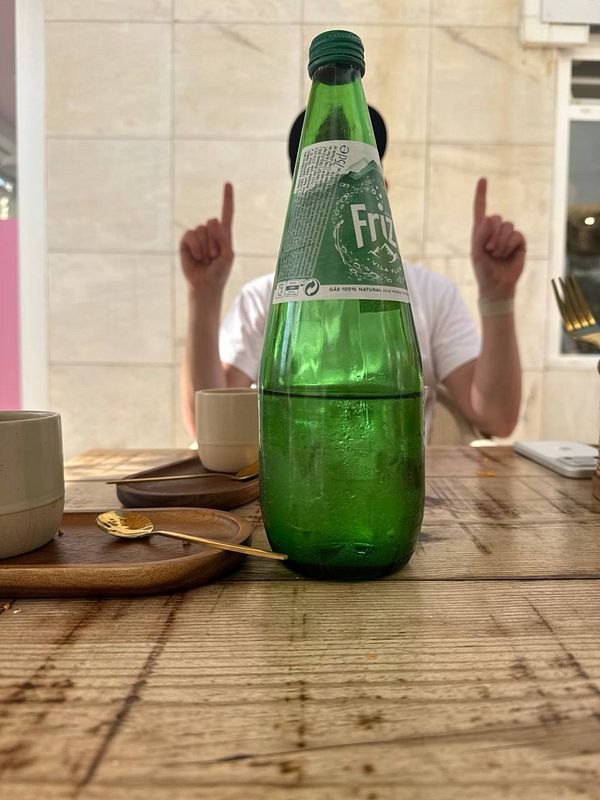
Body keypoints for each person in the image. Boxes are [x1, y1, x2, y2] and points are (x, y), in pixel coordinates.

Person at [180, 110, 526, 441]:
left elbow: (496, 417)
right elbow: (209, 426)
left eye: (357, 182)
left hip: (391, 481)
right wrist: (204, 296)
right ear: (301, 204)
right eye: (324, 189)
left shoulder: (432, 294)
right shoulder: (265, 298)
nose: (341, 199)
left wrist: (498, 297)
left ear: (382, 192)